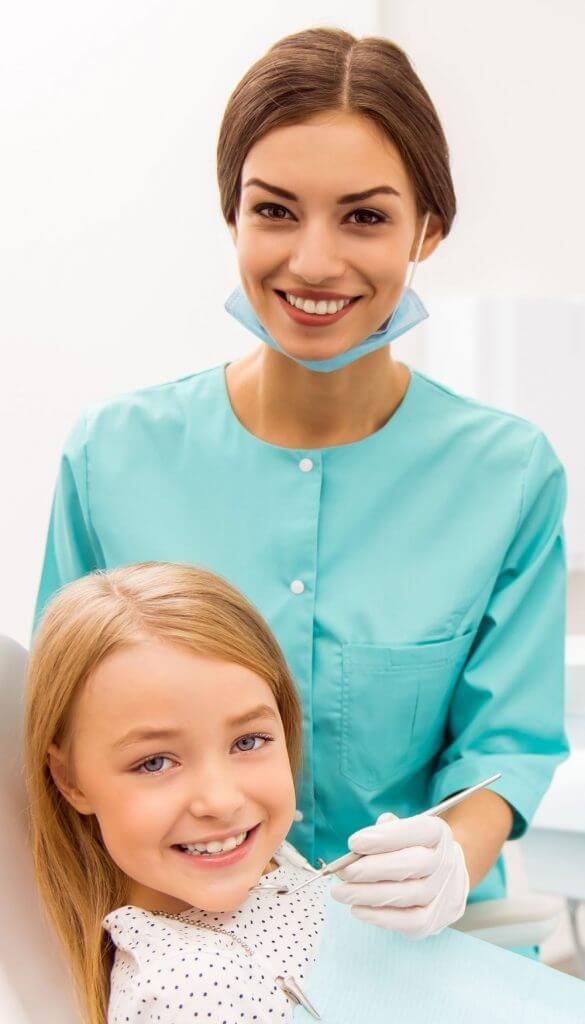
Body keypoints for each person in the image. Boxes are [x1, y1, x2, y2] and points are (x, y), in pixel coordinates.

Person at [33, 27, 568, 957]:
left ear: (427, 230)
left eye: (364, 217)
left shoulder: (506, 475)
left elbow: (506, 747)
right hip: (176, 965)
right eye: (275, 211)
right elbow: (63, 743)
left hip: (420, 955)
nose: (313, 263)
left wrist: (449, 854)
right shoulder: (111, 457)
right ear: (232, 218)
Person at [25, 562, 331, 1023]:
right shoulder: (188, 992)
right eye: (155, 762)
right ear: (69, 780)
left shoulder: (263, 859)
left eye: (247, 742)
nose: (222, 800)